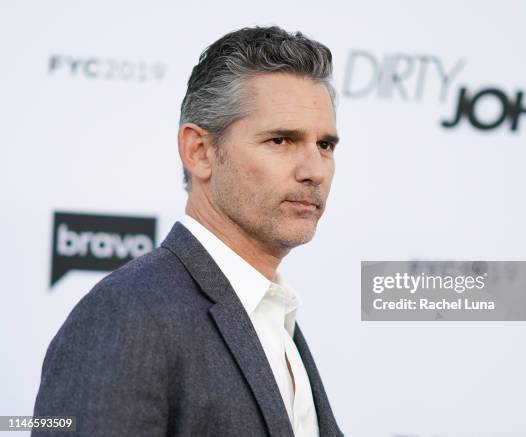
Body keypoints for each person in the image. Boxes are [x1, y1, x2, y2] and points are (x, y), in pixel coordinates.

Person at [33, 26, 343, 437]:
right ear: (199, 151)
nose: (314, 171)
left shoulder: (274, 316)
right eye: (281, 140)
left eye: (325, 145)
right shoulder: (129, 315)